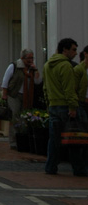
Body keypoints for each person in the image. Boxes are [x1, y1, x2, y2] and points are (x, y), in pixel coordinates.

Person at [43, 38, 83, 176]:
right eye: (73, 49)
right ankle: (79, 169)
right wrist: (73, 107)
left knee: (54, 139)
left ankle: (51, 166)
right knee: (73, 138)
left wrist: (48, 104)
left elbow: (45, 88)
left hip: (54, 105)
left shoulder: (48, 65)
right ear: (64, 50)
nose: (75, 53)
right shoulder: (65, 66)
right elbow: (69, 89)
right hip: (65, 106)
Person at [1, 49, 42, 150]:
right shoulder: (14, 66)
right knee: (15, 116)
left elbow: (37, 81)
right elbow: (5, 80)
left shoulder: (31, 69)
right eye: (28, 58)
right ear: (22, 58)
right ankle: (13, 140)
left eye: (32, 58)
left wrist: (36, 70)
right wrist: (4, 94)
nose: (30, 60)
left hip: (27, 96)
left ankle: (23, 138)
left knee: (24, 117)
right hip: (14, 95)